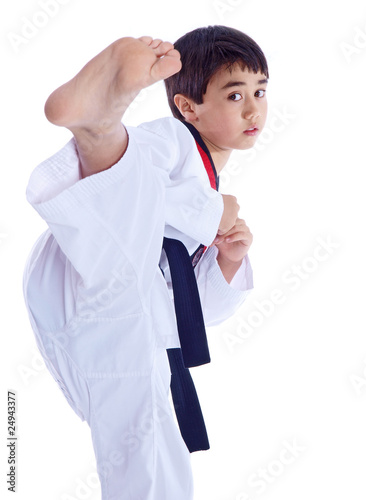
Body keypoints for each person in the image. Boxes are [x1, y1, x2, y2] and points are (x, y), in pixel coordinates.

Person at [23, 25, 269, 500]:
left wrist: (227, 261)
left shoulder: (206, 183)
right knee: (144, 445)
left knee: (152, 442)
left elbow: (194, 313)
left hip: (116, 295)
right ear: (187, 107)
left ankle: (98, 124)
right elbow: (141, 179)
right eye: (235, 94)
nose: (254, 108)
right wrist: (215, 210)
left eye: (260, 91)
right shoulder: (175, 142)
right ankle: (98, 126)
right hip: (100, 260)